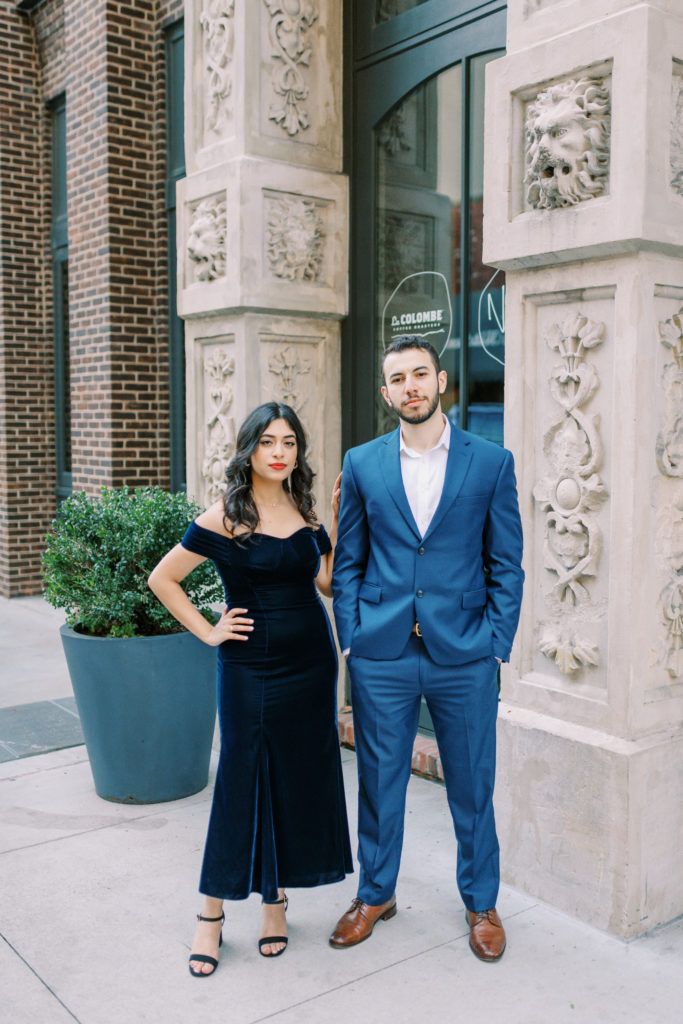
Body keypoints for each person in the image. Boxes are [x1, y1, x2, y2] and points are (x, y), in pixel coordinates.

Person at [329, 335, 524, 962]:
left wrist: (496, 641)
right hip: (382, 652)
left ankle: (481, 903)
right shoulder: (362, 464)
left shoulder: (491, 462)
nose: (410, 386)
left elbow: (507, 563)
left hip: (464, 652)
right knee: (379, 780)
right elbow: (350, 559)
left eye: (421, 374)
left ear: (441, 381)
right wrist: (352, 636)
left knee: (471, 783)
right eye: (397, 378)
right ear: (385, 393)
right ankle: (376, 893)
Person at [148, 402, 352, 976]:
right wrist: (211, 631)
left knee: (292, 780)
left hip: (311, 665)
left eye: (289, 442)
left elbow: (329, 585)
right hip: (250, 669)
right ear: (249, 451)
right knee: (240, 780)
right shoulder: (223, 517)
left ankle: (275, 900)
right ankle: (210, 915)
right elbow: (163, 579)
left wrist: (338, 521)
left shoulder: (304, 511)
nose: (281, 452)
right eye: (268, 442)